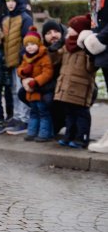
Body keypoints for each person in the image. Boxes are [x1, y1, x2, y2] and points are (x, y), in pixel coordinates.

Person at [55, 15, 97, 148]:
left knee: (81, 114)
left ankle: (82, 138)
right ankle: (69, 135)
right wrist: (54, 49)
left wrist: (90, 52)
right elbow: (55, 60)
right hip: (66, 85)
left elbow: (92, 68)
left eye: (72, 28)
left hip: (80, 88)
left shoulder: (86, 47)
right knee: (69, 113)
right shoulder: (67, 46)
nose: (68, 30)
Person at [0, 0, 33, 134]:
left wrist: (22, 57)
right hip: (11, 62)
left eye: (13, 0)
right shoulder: (7, 19)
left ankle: (24, 120)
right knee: (13, 91)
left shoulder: (25, 18)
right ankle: (17, 116)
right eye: (7, 1)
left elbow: (27, 41)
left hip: (22, 62)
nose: (10, 4)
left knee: (21, 90)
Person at [17, 27, 54, 142]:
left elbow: (48, 72)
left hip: (40, 90)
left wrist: (36, 81)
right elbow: (20, 69)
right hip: (31, 92)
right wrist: (23, 72)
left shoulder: (44, 57)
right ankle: (32, 132)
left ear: (38, 44)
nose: (30, 47)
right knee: (34, 112)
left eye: (32, 44)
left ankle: (45, 134)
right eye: (27, 45)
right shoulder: (26, 58)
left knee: (43, 112)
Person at [41, 19, 68, 138]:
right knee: (23, 93)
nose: (53, 35)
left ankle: (67, 121)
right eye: (48, 33)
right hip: (52, 85)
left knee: (49, 97)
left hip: (69, 87)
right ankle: (55, 121)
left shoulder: (68, 47)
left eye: (55, 31)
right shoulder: (42, 50)